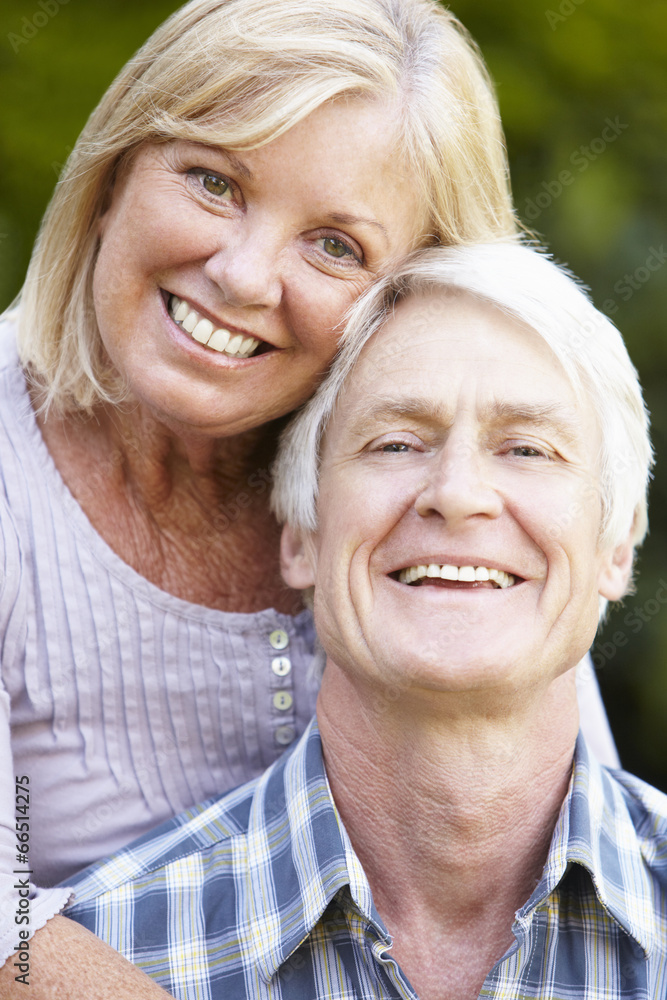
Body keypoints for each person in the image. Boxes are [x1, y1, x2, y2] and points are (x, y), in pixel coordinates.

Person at [0, 0, 614, 992]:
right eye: (212, 181)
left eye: (335, 245)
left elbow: (567, 871)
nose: (243, 276)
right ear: (115, 178)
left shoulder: (438, 504)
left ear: (412, 303)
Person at [62, 243, 666, 999]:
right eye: (396, 443)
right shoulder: (91, 953)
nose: (455, 492)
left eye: (526, 449)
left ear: (616, 544)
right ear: (302, 535)